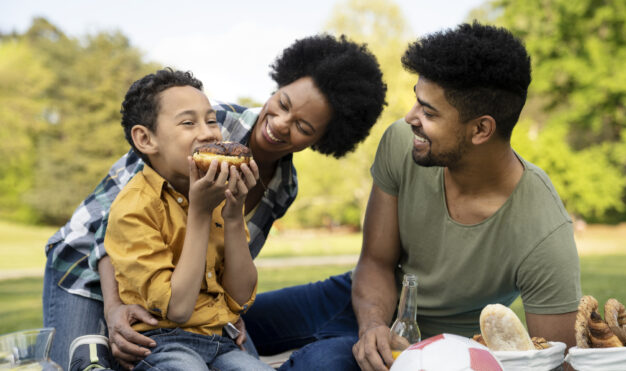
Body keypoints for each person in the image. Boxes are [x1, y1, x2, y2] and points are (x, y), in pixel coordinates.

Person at [42, 34, 387, 369]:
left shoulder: (284, 185)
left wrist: (228, 311)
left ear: (322, 140)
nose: (280, 124)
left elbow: (225, 258)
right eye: (282, 103)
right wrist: (115, 307)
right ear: (278, 87)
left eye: (303, 127)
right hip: (85, 263)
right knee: (83, 363)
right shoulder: (209, 126)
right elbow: (109, 224)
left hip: (179, 295)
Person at [350, 22, 581, 370]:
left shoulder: (543, 230)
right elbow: (375, 262)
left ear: (481, 129)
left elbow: (557, 361)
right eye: (417, 100)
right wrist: (372, 326)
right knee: (251, 321)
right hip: (368, 305)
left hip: (452, 349)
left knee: (320, 360)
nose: (409, 117)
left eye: (429, 113)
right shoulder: (401, 141)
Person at [72, 67, 275, 370]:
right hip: (162, 342)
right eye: (188, 123)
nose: (208, 133)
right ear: (145, 139)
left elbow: (241, 297)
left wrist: (233, 215)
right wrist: (200, 212)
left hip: (220, 339)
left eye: (211, 120)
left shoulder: (217, 192)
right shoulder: (133, 208)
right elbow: (178, 309)